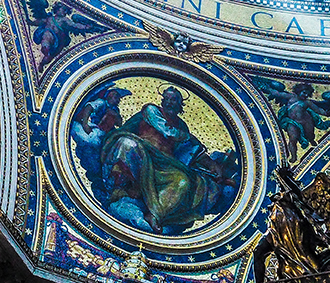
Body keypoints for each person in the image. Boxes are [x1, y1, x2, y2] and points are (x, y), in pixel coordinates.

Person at [99, 87, 240, 233]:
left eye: (174, 100)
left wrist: (211, 164)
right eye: (167, 99)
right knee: (127, 144)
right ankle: (118, 190)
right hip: (142, 151)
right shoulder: (151, 110)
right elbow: (166, 131)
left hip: (165, 164)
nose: (169, 103)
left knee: (182, 181)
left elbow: (190, 151)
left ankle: (155, 214)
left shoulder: (182, 125)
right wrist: (187, 136)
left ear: (180, 105)